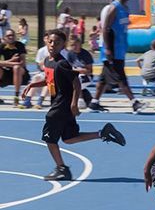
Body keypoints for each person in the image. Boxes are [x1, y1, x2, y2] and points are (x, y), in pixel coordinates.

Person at [21, 29, 126, 181]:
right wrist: (32, 85)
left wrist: (74, 104)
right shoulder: (47, 61)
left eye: (57, 43)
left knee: (50, 140)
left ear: (63, 45)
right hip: (59, 104)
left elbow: (76, 83)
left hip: (61, 105)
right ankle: (102, 133)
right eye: (50, 41)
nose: (52, 45)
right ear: (46, 41)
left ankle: (62, 169)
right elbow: (50, 80)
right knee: (69, 138)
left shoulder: (62, 63)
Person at [89, 0, 147, 114]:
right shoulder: (113, 8)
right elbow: (105, 28)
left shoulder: (125, 9)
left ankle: (94, 103)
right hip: (112, 51)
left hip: (120, 50)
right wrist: (108, 49)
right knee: (121, 77)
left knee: (103, 79)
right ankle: (134, 103)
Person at [0, 29, 30, 106]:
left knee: (16, 68)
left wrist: (6, 63)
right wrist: (12, 61)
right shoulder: (2, 46)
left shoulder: (20, 45)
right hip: (7, 73)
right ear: (4, 37)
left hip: (21, 73)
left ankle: (16, 96)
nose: (11, 37)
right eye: (8, 35)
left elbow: (22, 63)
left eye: (12, 35)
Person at [65, 34, 94, 107]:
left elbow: (89, 71)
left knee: (77, 80)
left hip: (87, 77)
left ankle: (80, 99)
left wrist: (79, 70)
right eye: (72, 45)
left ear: (80, 44)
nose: (74, 47)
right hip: (75, 74)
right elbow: (69, 67)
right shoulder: (70, 54)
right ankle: (86, 96)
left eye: (75, 45)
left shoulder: (86, 54)